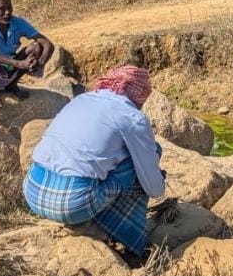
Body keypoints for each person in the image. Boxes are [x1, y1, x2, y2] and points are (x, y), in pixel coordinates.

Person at [23, 65, 166, 256]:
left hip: (32, 191)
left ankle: (92, 217)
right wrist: (157, 178)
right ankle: (127, 237)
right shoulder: (133, 117)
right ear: (140, 95)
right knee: (146, 156)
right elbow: (154, 189)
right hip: (70, 204)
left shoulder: (81, 99)